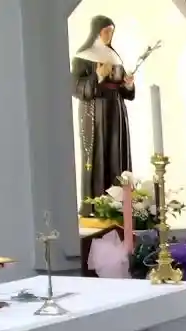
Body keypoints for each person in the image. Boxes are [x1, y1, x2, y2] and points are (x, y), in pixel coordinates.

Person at [72, 16, 136, 216]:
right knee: (98, 155)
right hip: (95, 113)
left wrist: (128, 84)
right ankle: (96, 206)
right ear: (97, 31)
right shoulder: (83, 56)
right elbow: (75, 87)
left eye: (112, 32)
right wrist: (98, 75)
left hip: (116, 113)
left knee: (117, 154)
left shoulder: (113, 55)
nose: (110, 35)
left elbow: (124, 92)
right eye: (107, 31)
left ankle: (118, 205)